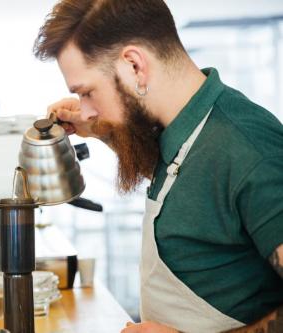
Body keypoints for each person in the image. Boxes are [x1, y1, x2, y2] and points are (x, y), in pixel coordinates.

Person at [33, 1, 283, 332]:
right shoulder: (181, 131)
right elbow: (193, 188)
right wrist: (101, 130)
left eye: (88, 92)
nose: (86, 110)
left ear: (134, 66)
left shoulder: (248, 146)